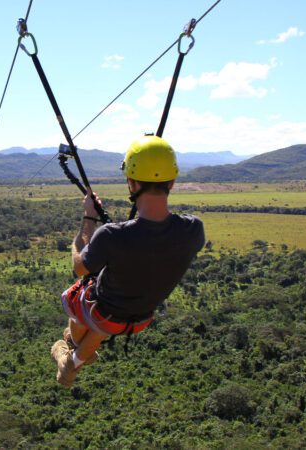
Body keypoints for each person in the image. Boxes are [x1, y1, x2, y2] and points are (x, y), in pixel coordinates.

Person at [50, 134, 205, 387]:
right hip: (141, 319)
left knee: (77, 294)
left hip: (104, 315)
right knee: (106, 313)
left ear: (131, 184)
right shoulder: (194, 230)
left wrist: (88, 220)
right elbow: (152, 246)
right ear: (173, 182)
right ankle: (74, 363)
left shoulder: (112, 236)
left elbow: (79, 266)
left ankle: (72, 352)